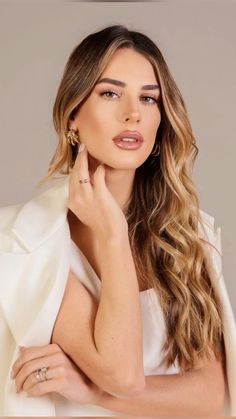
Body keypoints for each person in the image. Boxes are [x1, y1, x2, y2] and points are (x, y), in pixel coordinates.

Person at [0, 24, 235, 416]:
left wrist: (89, 391)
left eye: (148, 99)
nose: (132, 114)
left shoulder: (186, 234)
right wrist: (113, 236)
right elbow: (122, 374)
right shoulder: (21, 241)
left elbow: (212, 393)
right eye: (110, 93)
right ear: (72, 115)